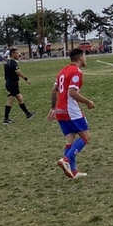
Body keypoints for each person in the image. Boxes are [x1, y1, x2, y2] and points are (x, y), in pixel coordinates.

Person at [48, 48, 95, 179]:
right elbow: (72, 92)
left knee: (70, 139)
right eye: (85, 56)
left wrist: (53, 108)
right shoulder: (76, 71)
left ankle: (72, 171)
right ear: (80, 57)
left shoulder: (62, 71)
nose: (85, 59)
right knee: (85, 137)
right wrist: (88, 102)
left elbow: (53, 90)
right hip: (71, 110)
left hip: (60, 110)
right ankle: (66, 160)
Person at [2, 48, 37, 124]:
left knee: (20, 98)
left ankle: (28, 114)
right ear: (13, 54)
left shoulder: (7, 62)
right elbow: (18, 71)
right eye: (17, 53)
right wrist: (26, 79)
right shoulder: (12, 63)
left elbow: (6, 75)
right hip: (12, 84)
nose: (18, 55)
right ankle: (6, 119)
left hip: (10, 84)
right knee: (10, 100)